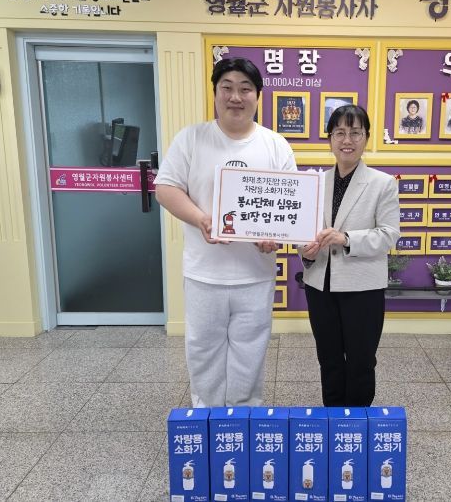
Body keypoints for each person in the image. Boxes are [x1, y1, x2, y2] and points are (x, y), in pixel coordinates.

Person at [154, 57, 296, 407]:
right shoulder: (191, 138)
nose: (236, 97)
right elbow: (166, 188)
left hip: (255, 273)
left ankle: (245, 417)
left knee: (251, 352)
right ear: (215, 92)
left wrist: (274, 234)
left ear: (257, 95)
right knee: (203, 350)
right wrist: (201, 219)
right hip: (204, 273)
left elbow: (290, 205)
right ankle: (208, 416)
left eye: (245, 89)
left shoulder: (275, 144)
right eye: (227, 88)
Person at [300, 104, 400, 406]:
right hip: (320, 285)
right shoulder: (315, 182)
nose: (347, 140)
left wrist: (346, 239)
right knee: (328, 358)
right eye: (339, 132)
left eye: (355, 133)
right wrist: (305, 252)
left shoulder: (383, 183)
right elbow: (303, 231)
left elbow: (389, 234)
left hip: (363, 288)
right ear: (330, 138)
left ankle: (356, 422)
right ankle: (332, 417)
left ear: (366, 137)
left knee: (361, 360)